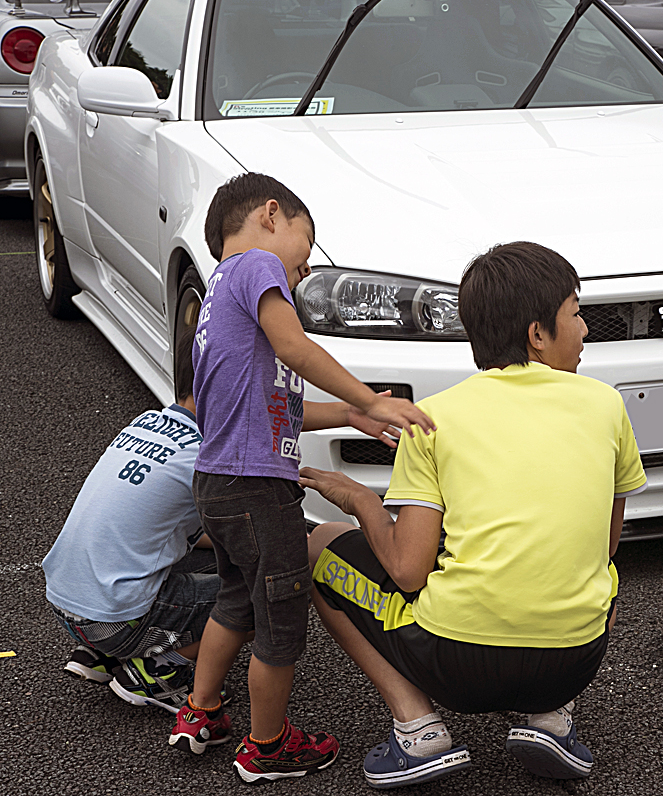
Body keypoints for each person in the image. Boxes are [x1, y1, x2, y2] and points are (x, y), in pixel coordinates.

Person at [301, 241, 646, 787]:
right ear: (538, 334)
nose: (584, 329)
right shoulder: (606, 404)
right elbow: (603, 545)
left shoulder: (432, 419)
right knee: (592, 572)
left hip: (457, 665)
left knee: (321, 545)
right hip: (572, 660)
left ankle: (418, 730)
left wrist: (363, 501)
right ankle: (551, 719)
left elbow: (408, 570)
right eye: (576, 313)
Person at [166, 173, 435, 784]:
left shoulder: (218, 300)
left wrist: (349, 413)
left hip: (220, 482)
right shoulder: (255, 264)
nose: (298, 275)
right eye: (303, 254)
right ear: (270, 215)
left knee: (237, 600)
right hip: (259, 491)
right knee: (282, 620)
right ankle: (268, 745)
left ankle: (200, 709)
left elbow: (270, 402)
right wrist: (373, 396)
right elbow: (294, 348)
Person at [44, 334, 216, 712]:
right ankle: (158, 672)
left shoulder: (146, 422)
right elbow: (247, 538)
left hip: (66, 603)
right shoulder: (205, 454)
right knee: (259, 589)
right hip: (113, 619)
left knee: (168, 542)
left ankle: (100, 654)